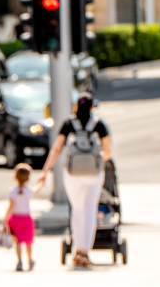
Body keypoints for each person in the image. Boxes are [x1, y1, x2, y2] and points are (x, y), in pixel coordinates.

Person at [35, 95, 112, 268]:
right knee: (90, 210)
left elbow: (56, 149)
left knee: (77, 210)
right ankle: (85, 252)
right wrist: (98, 161)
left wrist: (45, 171)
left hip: (72, 173)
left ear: (77, 107)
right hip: (94, 173)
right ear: (92, 108)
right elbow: (108, 152)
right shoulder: (99, 124)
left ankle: (77, 251)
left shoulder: (69, 124)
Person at [4, 163, 36, 272]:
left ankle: (19, 261)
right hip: (26, 218)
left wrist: (4, 220)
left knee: (17, 241)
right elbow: (36, 190)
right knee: (28, 241)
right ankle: (30, 260)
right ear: (28, 178)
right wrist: (41, 182)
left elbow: (10, 207)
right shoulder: (29, 190)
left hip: (15, 218)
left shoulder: (12, 191)